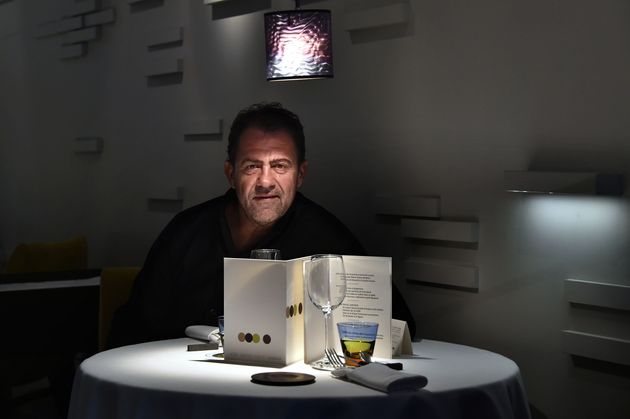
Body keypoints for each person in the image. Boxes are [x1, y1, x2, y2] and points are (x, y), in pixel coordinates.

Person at [108, 102, 415, 348]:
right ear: (230, 174)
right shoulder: (186, 231)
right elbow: (132, 328)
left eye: (280, 166)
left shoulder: (328, 238)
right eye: (252, 166)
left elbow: (398, 327)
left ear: (300, 174)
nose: (266, 181)